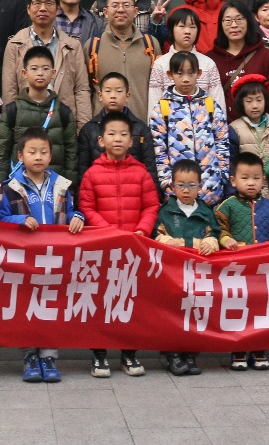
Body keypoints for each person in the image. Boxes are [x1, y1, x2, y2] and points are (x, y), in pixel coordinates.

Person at [0, 126, 85, 384]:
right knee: (26, 306)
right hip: (24, 258)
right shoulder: (10, 187)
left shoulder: (61, 185)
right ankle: (30, 357)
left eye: (44, 152)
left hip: (54, 258)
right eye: (32, 152)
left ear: (51, 156)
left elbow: (72, 211)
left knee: (51, 306)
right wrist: (20, 220)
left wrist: (78, 217)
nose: (38, 157)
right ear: (20, 156)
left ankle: (49, 357)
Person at [78, 111, 159, 378]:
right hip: (103, 247)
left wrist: (142, 230)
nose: (118, 139)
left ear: (131, 141)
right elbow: (86, 207)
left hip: (134, 247)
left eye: (124, 134)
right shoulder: (92, 174)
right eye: (112, 134)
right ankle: (99, 355)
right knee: (100, 300)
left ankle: (129, 354)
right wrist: (108, 231)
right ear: (101, 141)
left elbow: (151, 205)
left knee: (131, 301)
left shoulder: (141, 173)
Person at [215, 152, 269, 371]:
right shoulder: (226, 207)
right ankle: (238, 350)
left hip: (262, 270)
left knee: (261, 308)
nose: (251, 183)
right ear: (233, 180)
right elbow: (219, 229)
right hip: (237, 269)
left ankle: (259, 349)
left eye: (256, 178)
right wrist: (226, 240)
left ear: (263, 180)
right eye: (245, 178)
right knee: (239, 307)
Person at [156, 160, 221, 378]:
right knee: (172, 311)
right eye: (181, 185)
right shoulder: (165, 211)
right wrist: (166, 241)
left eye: (192, 185)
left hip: (197, 272)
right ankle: (172, 354)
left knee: (195, 311)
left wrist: (211, 242)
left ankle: (191, 353)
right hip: (172, 273)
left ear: (200, 187)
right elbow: (155, 234)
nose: (186, 190)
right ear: (172, 186)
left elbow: (215, 232)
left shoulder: (205, 211)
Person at [2, 0, 92, 125]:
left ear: (57, 9)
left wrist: (83, 128)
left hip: (63, 124)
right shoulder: (14, 45)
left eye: (49, 3)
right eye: (37, 3)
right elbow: (9, 91)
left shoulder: (73, 46)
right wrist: (12, 126)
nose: (43, 8)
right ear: (28, 9)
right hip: (26, 124)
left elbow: (81, 89)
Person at [148, 51, 229, 204]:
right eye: (179, 73)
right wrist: (166, 182)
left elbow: (222, 142)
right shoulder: (162, 108)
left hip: (211, 188)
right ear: (170, 75)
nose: (185, 79)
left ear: (199, 73)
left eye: (191, 73)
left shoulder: (210, 105)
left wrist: (222, 175)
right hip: (177, 190)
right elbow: (158, 149)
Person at [0, 46, 79, 185]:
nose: (40, 73)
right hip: (19, 186)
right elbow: (2, 153)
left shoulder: (63, 112)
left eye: (45, 69)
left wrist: (69, 189)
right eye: (34, 68)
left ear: (53, 73)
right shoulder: (12, 111)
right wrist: (0, 188)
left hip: (54, 187)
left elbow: (71, 155)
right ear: (24, 73)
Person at [208, 2, 269, 131]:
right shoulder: (211, 59)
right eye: (228, 20)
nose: (234, 25)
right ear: (221, 25)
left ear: (248, 22)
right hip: (225, 132)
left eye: (239, 19)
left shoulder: (265, 56)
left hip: (261, 131)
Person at [86, 0, 163, 121]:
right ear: (105, 12)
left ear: (135, 11)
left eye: (126, 5)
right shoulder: (92, 46)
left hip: (143, 125)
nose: (120, 10)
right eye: (115, 5)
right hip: (104, 127)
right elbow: (84, 90)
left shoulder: (151, 44)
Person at [79, 72, 157, 187]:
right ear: (100, 95)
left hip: (132, 188)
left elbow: (150, 167)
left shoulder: (140, 129)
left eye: (119, 91)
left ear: (127, 96)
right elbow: (83, 168)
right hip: (100, 189)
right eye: (108, 91)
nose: (113, 96)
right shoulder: (89, 129)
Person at [149, 6, 224, 115]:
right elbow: (154, 106)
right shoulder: (160, 64)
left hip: (204, 124)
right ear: (171, 30)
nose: (187, 31)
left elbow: (218, 104)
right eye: (182, 26)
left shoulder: (208, 64)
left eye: (192, 27)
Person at [227, 76, 269, 196]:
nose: (255, 106)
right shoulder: (234, 129)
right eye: (249, 101)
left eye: (259, 100)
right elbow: (231, 165)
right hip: (245, 194)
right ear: (241, 103)